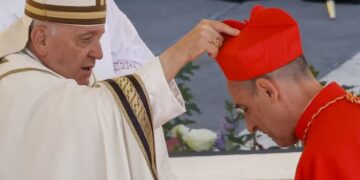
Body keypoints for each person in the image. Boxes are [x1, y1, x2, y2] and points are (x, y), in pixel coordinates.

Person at [0, 0, 239, 180]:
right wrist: (180, 53)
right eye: (85, 40)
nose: (100, 54)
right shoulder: (14, 82)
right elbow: (88, 115)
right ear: (41, 40)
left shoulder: (61, 65)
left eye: (100, 39)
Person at [215, 5, 360, 180]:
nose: (250, 126)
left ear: (268, 91)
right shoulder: (348, 115)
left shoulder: (323, 153)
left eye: (246, 109)